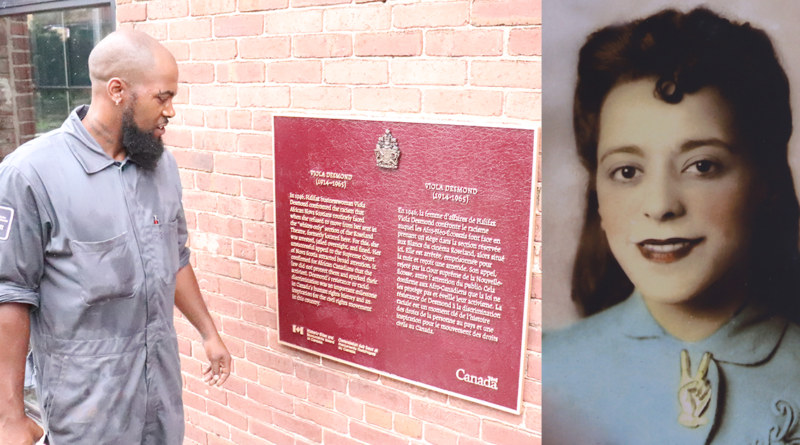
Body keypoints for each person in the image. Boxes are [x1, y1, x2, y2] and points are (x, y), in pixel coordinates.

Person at [544, 8, 800, 443]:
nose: (661, 206)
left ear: (768, 182)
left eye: (701, 165)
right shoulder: (544, 371)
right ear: (599, 199)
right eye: (626, 172)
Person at [0, 30, 231, 445]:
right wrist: (10, 417)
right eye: (163, 97)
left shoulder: (161, 167)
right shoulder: (31, 175)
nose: (171, 111)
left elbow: (174, 258)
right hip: (87, 410)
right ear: (118, 91)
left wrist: (208, 331)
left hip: (159, 398)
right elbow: (10, 297)